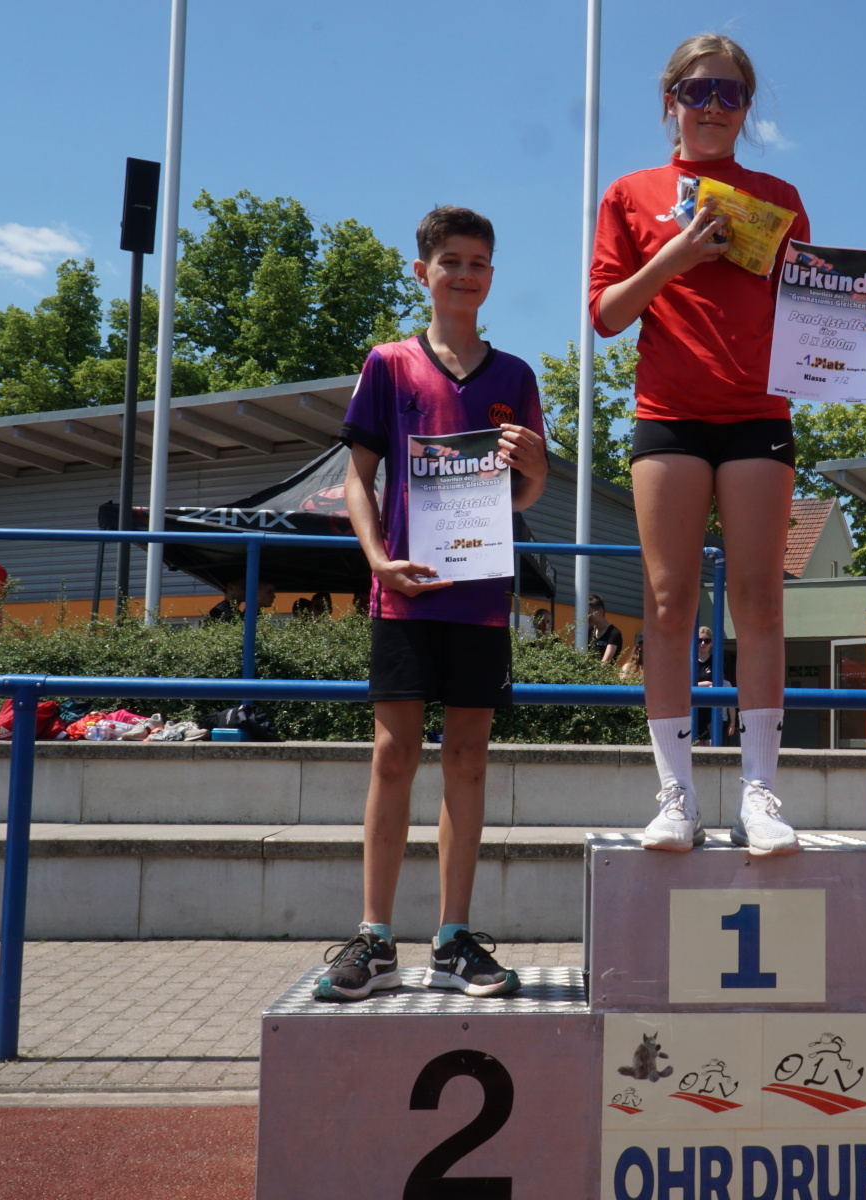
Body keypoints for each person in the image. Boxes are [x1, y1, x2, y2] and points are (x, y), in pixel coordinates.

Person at [589, 31, 866, 855]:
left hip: (758, 417)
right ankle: (675, 796)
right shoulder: (629, 193)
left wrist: (862, 325)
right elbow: (607, 315)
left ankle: (760, 793)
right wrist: (676, 255)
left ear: (747, 107)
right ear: (670, 101)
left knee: (761, 602)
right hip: (668, 415)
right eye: (698, 91)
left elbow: (812, 311)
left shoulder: (778, 195)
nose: (714, 106)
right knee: (667, 604)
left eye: (730, 93)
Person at [314, 206, 548, 1001]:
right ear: (423, 272)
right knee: (393, 755)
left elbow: (523, 497)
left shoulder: (516, 377)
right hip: (405, 594)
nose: (465, 274)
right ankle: (375, 937)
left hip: (480, 597)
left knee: (468, 759)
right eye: (451, 260)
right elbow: (358, 479)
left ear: (492, 276)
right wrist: (378, 560)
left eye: (478, 262)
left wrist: (535, 465)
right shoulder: (388, 364)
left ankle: (454, 938)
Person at [206, 577, 275, 622]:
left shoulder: (231, 611)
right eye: (244, 587)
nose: (248, 590)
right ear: (231, 587)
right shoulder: (222, 611)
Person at [587, 595, 623, 665]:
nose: (587, 617)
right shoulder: (590, 631)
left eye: (589, 613)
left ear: (600, 612)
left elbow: (605, 663)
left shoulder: (614, 633)